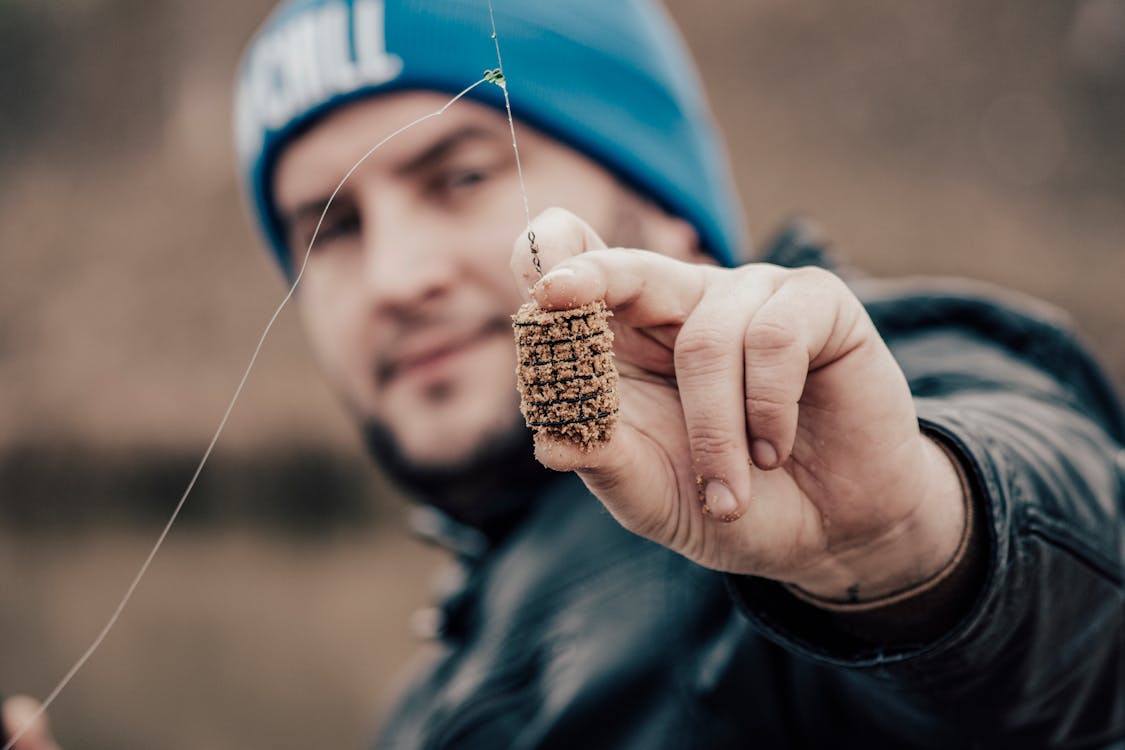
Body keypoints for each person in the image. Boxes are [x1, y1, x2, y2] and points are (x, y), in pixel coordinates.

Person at [6, 1, 1123, 747]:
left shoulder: (864, 406)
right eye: (331, 227)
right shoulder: (430, 698)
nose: (395, 275)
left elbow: (1078, 608)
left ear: (668, 209)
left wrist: (910, 554)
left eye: (460, 175)